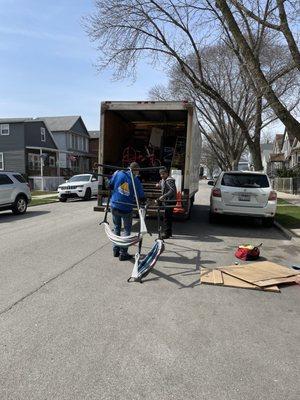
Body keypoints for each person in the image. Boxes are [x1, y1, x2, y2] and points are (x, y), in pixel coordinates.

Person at [109, 162, 145, 261]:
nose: (138, 173)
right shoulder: (135, 179)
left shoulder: (118, 173)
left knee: (117, 228)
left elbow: (110, 185)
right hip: (126, 208)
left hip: (115, 205)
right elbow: (141, 195)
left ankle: (115, 250)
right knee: (126, 230)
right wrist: (143, 201)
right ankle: (123, 253)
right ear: (136, 170)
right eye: (138, 171)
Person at [156, 168, 177, 239]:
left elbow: (172, 190)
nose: (161, 175)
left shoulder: (169, 180)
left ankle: (167, 234)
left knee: (167, 217)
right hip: (167, 201)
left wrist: (164, 196)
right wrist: (158, 185)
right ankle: (169, 233)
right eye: (160, 174)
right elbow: (163, 185)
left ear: (167, 173)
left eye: (163, 174)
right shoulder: (164, 180)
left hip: (171, 201)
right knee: (167, 217)